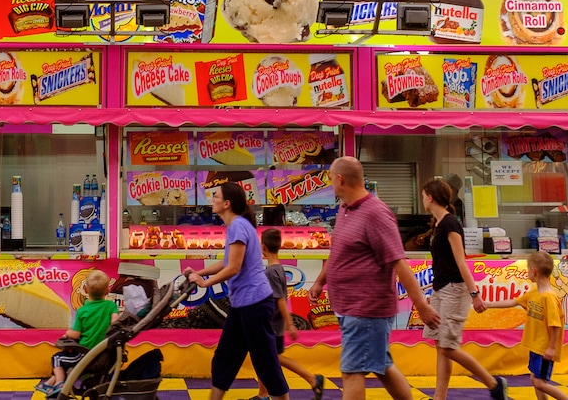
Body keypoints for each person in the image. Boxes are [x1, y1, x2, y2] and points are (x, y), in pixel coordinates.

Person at [308, 156, 440, 400]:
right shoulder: (346, 208)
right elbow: (339, 251)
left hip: (366, 308)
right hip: (350, 307)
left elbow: (398, 261)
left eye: (330, 179)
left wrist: (421, 305)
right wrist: (320, 281)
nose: (330, 185)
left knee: (352, 372)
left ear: (340, 179)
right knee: (382, 367)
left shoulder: (375, 213)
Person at [187, 182, 289, 400]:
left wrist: (205, 283)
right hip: (242, 304)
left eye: (215, 196)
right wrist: (199, 273)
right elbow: (226, 263)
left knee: (265, 361)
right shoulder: (238, 225)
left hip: (255, 303)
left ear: (226, 203)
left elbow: (234, 267)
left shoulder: (238, 227)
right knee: (225, 356)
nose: (212, 199)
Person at [420, 178, 508, 400]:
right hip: (441, 289)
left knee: (448, 347)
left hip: (454, 289)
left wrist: (474, 294)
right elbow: (444, 262)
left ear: (430, 197)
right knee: (441, 345)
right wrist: (433, 290)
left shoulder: (450, 224)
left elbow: (461, 261)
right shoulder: (438, 224)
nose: (422, 200)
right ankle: (439, 396)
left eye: (423, 196)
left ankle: (493, 383)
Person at [246, 228, 324, 400]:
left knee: (271, 358)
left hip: (272, 325)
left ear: (263, 247)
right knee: (263, 358)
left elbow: (280, 300)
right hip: (274, 323)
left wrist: (289, 324)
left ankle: (312, 379)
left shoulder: (272, 272)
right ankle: (263, 394)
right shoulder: (278, 269)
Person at [487, 251, 568, 400]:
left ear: (534, 271)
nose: (527, 273)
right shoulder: (534, 293)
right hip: (536, 347)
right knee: (535, 380)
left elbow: (555, 325)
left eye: (527, 270)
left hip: (544, 349)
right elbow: (512, 302)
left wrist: (551, 347)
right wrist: (487, 305)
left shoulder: (548, 297)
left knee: (539, 382)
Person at [35, 269, 119, 397]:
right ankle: (51, 383)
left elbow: (76, 335)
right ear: (107, 290)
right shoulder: (111, 306)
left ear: (85, 290)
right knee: (64, 358)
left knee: (57, 359)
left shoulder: (83, 310)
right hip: (103, 354)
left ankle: (60, 384)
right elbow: (115, 324)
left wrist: (68, 333)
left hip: (85, 353)